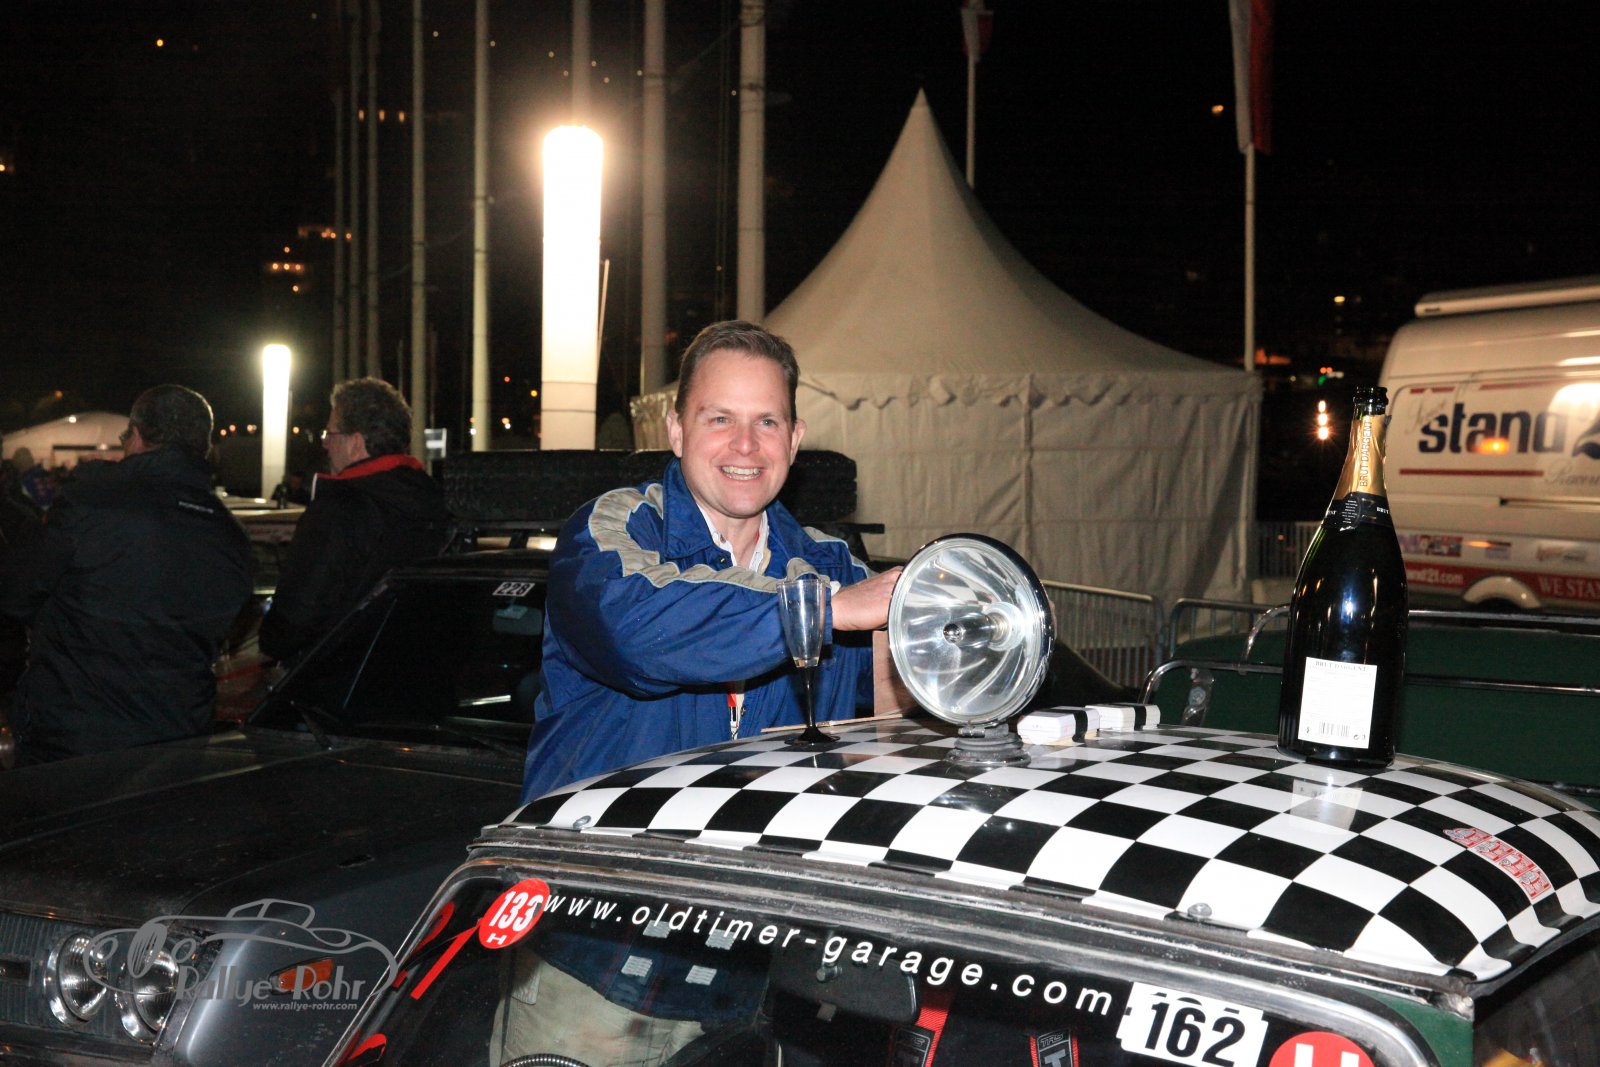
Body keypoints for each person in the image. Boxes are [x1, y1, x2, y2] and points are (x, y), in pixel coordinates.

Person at [520, 320, 900, 801]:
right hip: (599, 843)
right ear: (677, 431)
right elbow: (636, 632)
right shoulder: (612, 529)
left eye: (767, 422)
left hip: (756, 844)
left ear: (794, 440)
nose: (746, 444)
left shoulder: (833, 565)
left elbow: (916, 683)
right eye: (720, 419)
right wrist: (821, 609)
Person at [0, 385, 253, 764]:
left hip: (75, 732)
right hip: (178, 734)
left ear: (135, 435)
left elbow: (16, 594)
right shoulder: (228, 534)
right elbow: (228, 627)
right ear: (204, 447)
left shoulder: (90, 503)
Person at [259, 377, 449, 665]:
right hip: (419, 674)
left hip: (339, 680)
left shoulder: (339, 508)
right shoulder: (437, 503)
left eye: (330, 434)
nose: (325, 444)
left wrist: (272, 642)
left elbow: (300, 612)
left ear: (356, 442)